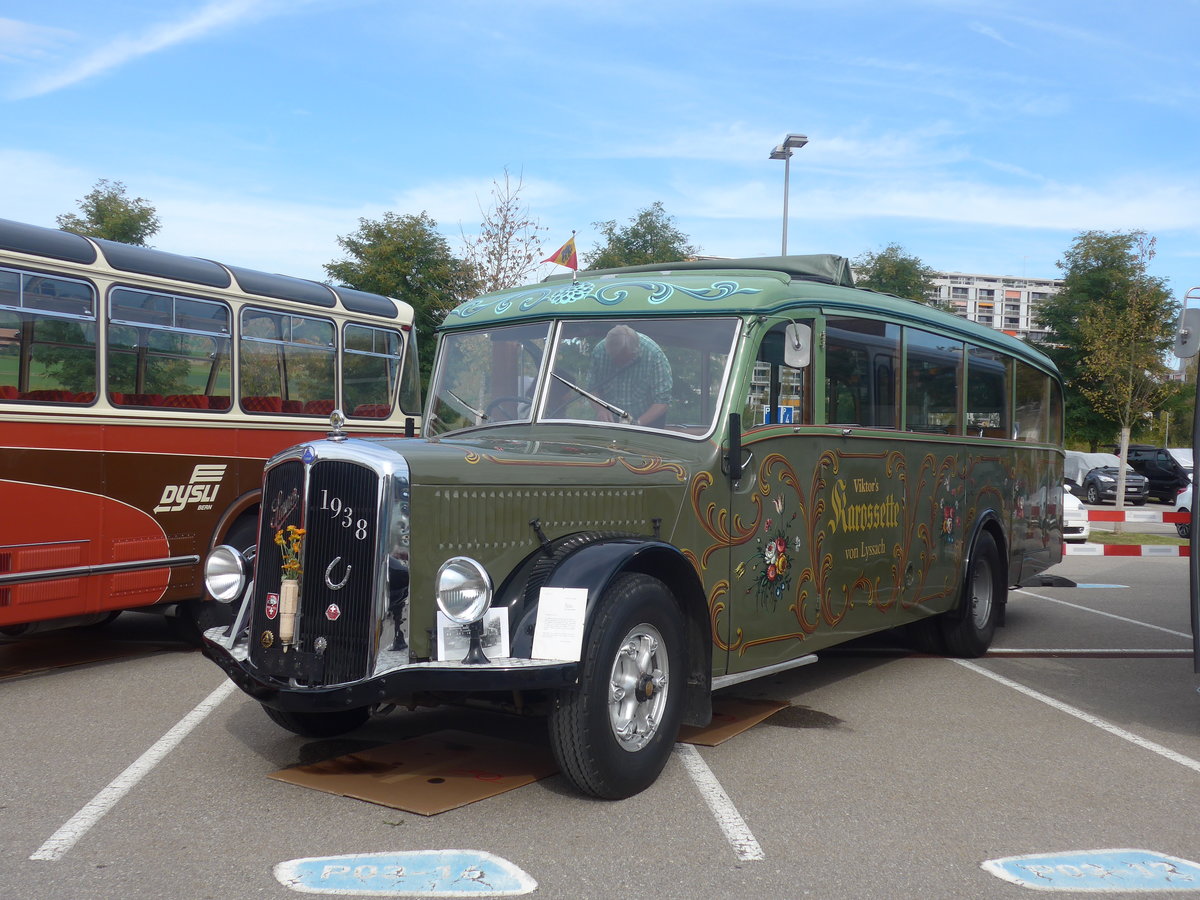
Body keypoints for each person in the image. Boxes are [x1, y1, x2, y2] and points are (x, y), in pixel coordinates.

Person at [589, 324, 671, 427]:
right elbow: (591, 389)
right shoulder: (599, 352)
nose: (619, 363)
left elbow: (662, 401)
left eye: (624, 358)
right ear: (607, 350)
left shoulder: (654, 355)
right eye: (614, 358)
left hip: (648, 424)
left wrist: (637, 424)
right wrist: (600, 409)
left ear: (635, 351)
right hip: (609, 423)